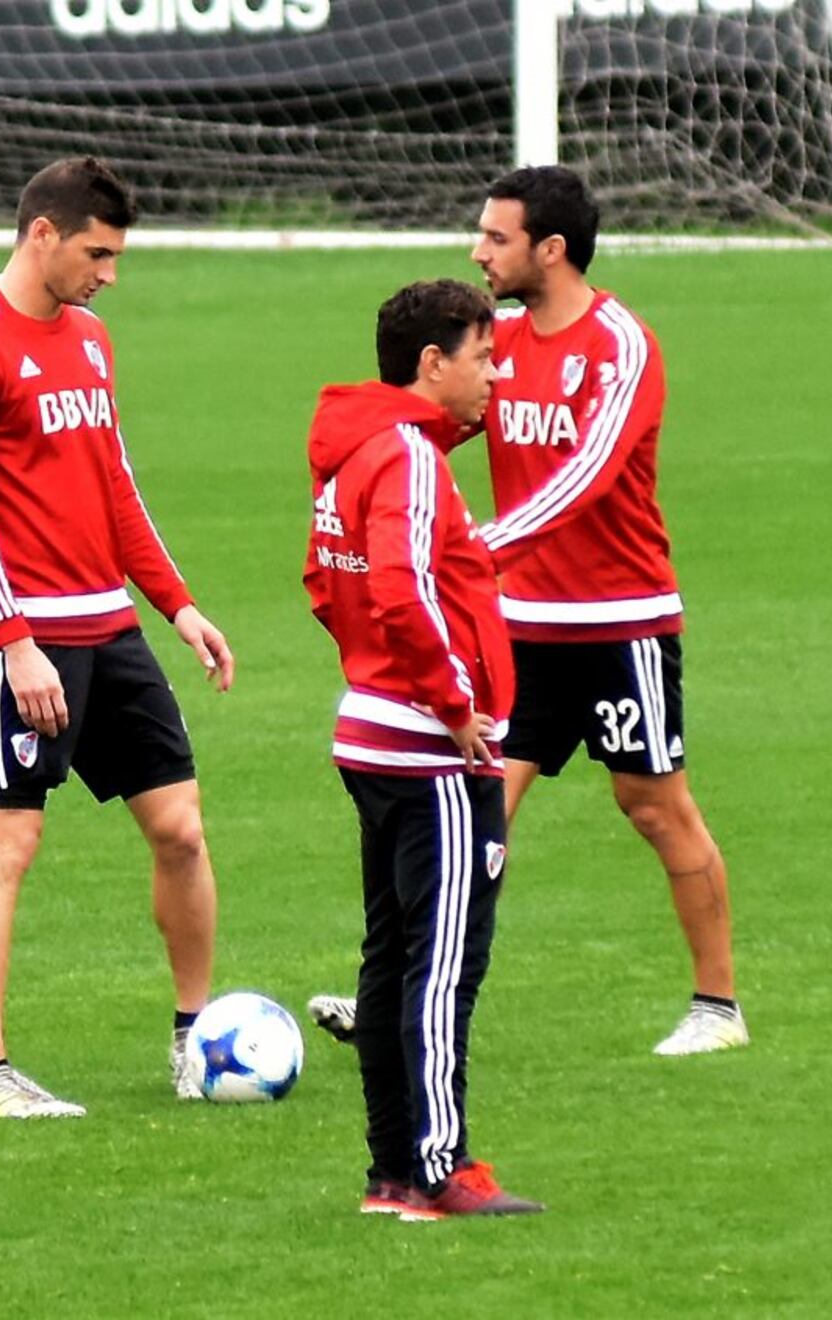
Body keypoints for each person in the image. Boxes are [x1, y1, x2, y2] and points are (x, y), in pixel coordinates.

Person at [308, 166, 747, 1058]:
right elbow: (422, 427)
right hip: (516, 627)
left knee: (653, 805)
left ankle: (718, 1006)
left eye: (496, 237)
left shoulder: (621, 345)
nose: (479, 251)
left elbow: (588, 477)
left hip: (619, 620)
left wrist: (472, 549)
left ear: (550, 249)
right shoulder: (494, 344)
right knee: (474, 810)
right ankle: (400, 995)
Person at [0, 157, 234, 1117]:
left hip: (111, 626)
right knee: (7, 843)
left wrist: (178, 604)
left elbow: (114, 482)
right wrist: (12, 641)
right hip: (25, 638)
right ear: (43, 234)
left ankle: (195, 1040)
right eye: (97, 254)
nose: (109, 275)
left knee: (181, 831)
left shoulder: (90, 340)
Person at [304, 279, 542, 1218]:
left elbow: (324, 582)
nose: (495, 377)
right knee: (443, 966)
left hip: (374, 733)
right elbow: (401, 590)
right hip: (431, 750)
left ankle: (393, 1174)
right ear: (432, 362)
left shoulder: (357, 448)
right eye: (484, 358)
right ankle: (444, 1168)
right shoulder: (405, 456)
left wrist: (373, 672)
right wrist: (452, 705)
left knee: (392, 958)